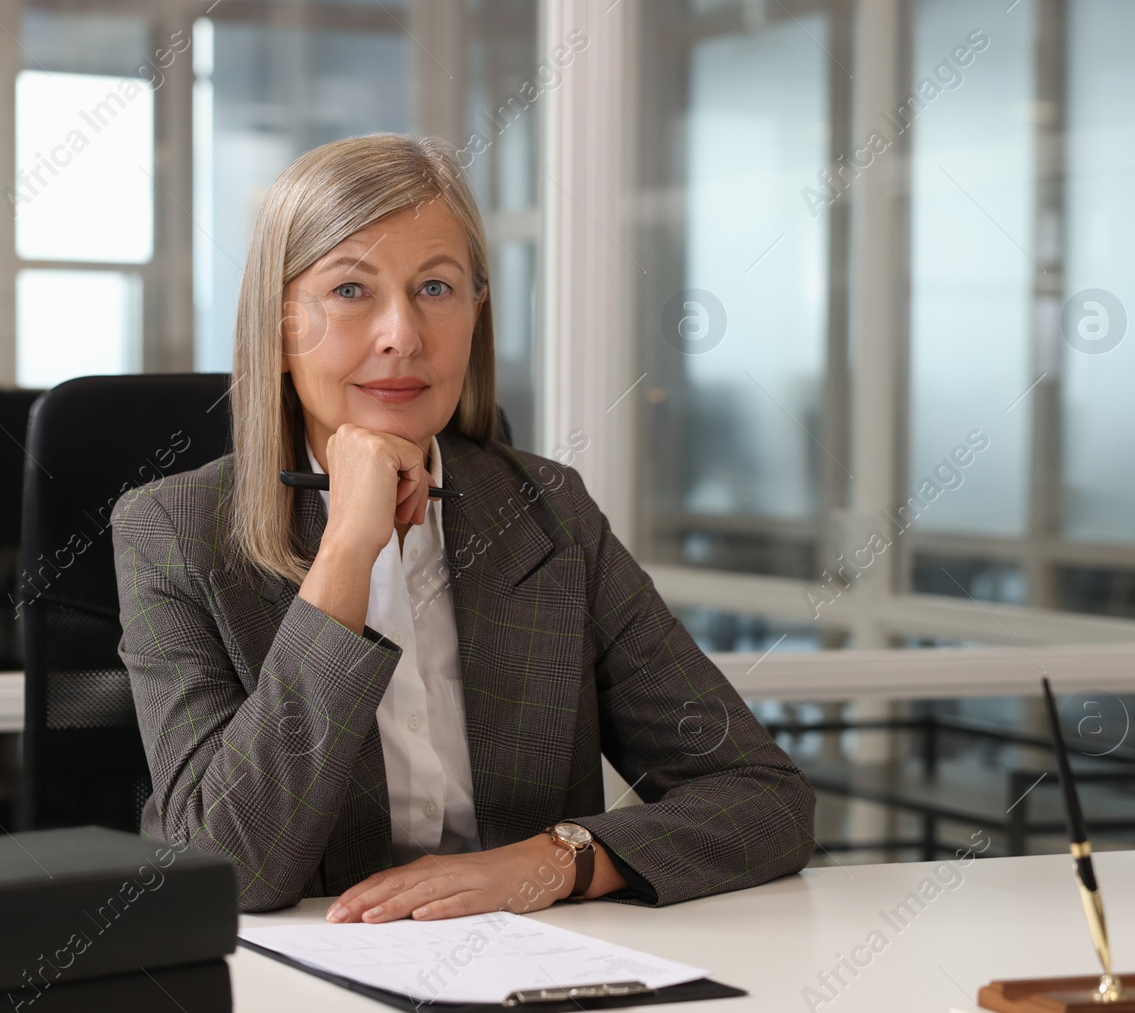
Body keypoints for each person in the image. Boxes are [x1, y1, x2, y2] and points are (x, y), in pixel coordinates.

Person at [112, 132, 815, 920]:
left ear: (477, 313)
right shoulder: (173, 532)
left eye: (436, 289)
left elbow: (763, 798)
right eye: (350, 290)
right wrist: (348, 548)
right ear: (278, 326)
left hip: (530, 979)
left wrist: (552, 861)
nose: (402, 335)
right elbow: (227, 868)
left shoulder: (548, 510)